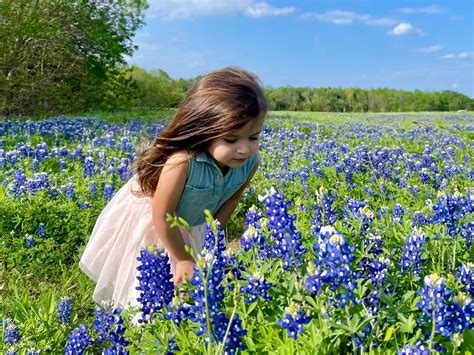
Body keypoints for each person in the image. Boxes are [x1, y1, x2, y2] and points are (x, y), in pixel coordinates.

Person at [79, 67, 268, 308]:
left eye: (253, 137)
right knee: (150, 288)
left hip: (193, 225)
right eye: (231, 139)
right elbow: (162, 215)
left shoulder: (250, 163)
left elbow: (231, 200)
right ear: (204, 130)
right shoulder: (181, 162)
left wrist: (213, 241)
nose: (244, 149)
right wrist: (181, 258)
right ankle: (143, 327)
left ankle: (179, 328)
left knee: (189, 290)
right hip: (157, 223)